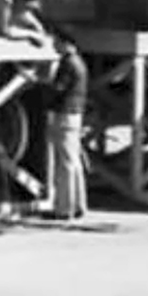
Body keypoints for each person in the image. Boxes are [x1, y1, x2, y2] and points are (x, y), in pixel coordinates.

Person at [45, 31, 90, 219]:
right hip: (76, 114)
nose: (54, 45)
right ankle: (79, 205)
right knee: (74, 162)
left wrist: (43, 83)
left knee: (64, 164)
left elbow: (59, 88)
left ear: (65, 43)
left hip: (64, 114)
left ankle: (64, 209)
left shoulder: (67, 64)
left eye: (56, 42)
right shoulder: (80, 63)